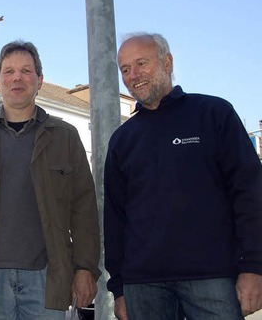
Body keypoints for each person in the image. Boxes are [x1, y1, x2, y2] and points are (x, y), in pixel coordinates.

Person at [0, 40, 101, 320]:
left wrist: (85, 268)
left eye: (26, 71)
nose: (17, 78)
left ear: (40, 81)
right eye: (9, 71)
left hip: (47, 281)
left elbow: (84, 211)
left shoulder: (65, 137)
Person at [104, 32, 262, 320]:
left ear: (167, 62)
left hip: (212, 278)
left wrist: (253, 266)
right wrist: (119, 289)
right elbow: (115, 218)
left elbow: (249, 193)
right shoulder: (122, 139)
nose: (133, 75)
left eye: (141, 63)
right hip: (143, 285)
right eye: (125, 69)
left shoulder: (214, 114)